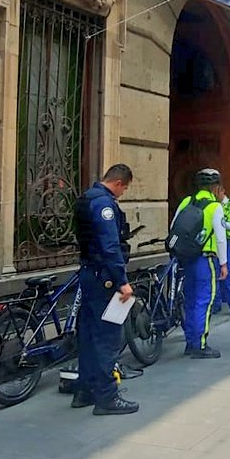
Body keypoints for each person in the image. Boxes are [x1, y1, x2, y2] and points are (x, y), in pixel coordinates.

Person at [72, 163, 138, 415]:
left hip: (89, 274)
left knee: (88, 336)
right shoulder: (104, 204)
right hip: (105, 279)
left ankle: (85, 390)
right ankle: (107, 397)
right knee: (107, 337)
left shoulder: (87, 197)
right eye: (125, 188)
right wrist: (122, 281)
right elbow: (110, 246)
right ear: (119, 183)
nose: (123, 193)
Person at [173, 168, 228, 359]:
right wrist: (224, 263)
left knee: (190, 300)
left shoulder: (187, 201)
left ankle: (190, 342)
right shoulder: (215, 207)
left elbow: (174, 227)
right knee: (204, 301)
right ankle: (200, 345)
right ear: (216, 187)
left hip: (188, 259)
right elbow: (221, 239)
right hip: (206, 260)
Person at [212, 184, 230, 318]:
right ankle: (216, 304)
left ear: (222, 191)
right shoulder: (212, 205)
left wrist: (224, 225)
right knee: (215, 272)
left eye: (216, 191)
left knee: (226, 273)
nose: (214, 194)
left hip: (227, 241)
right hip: (214, 242)